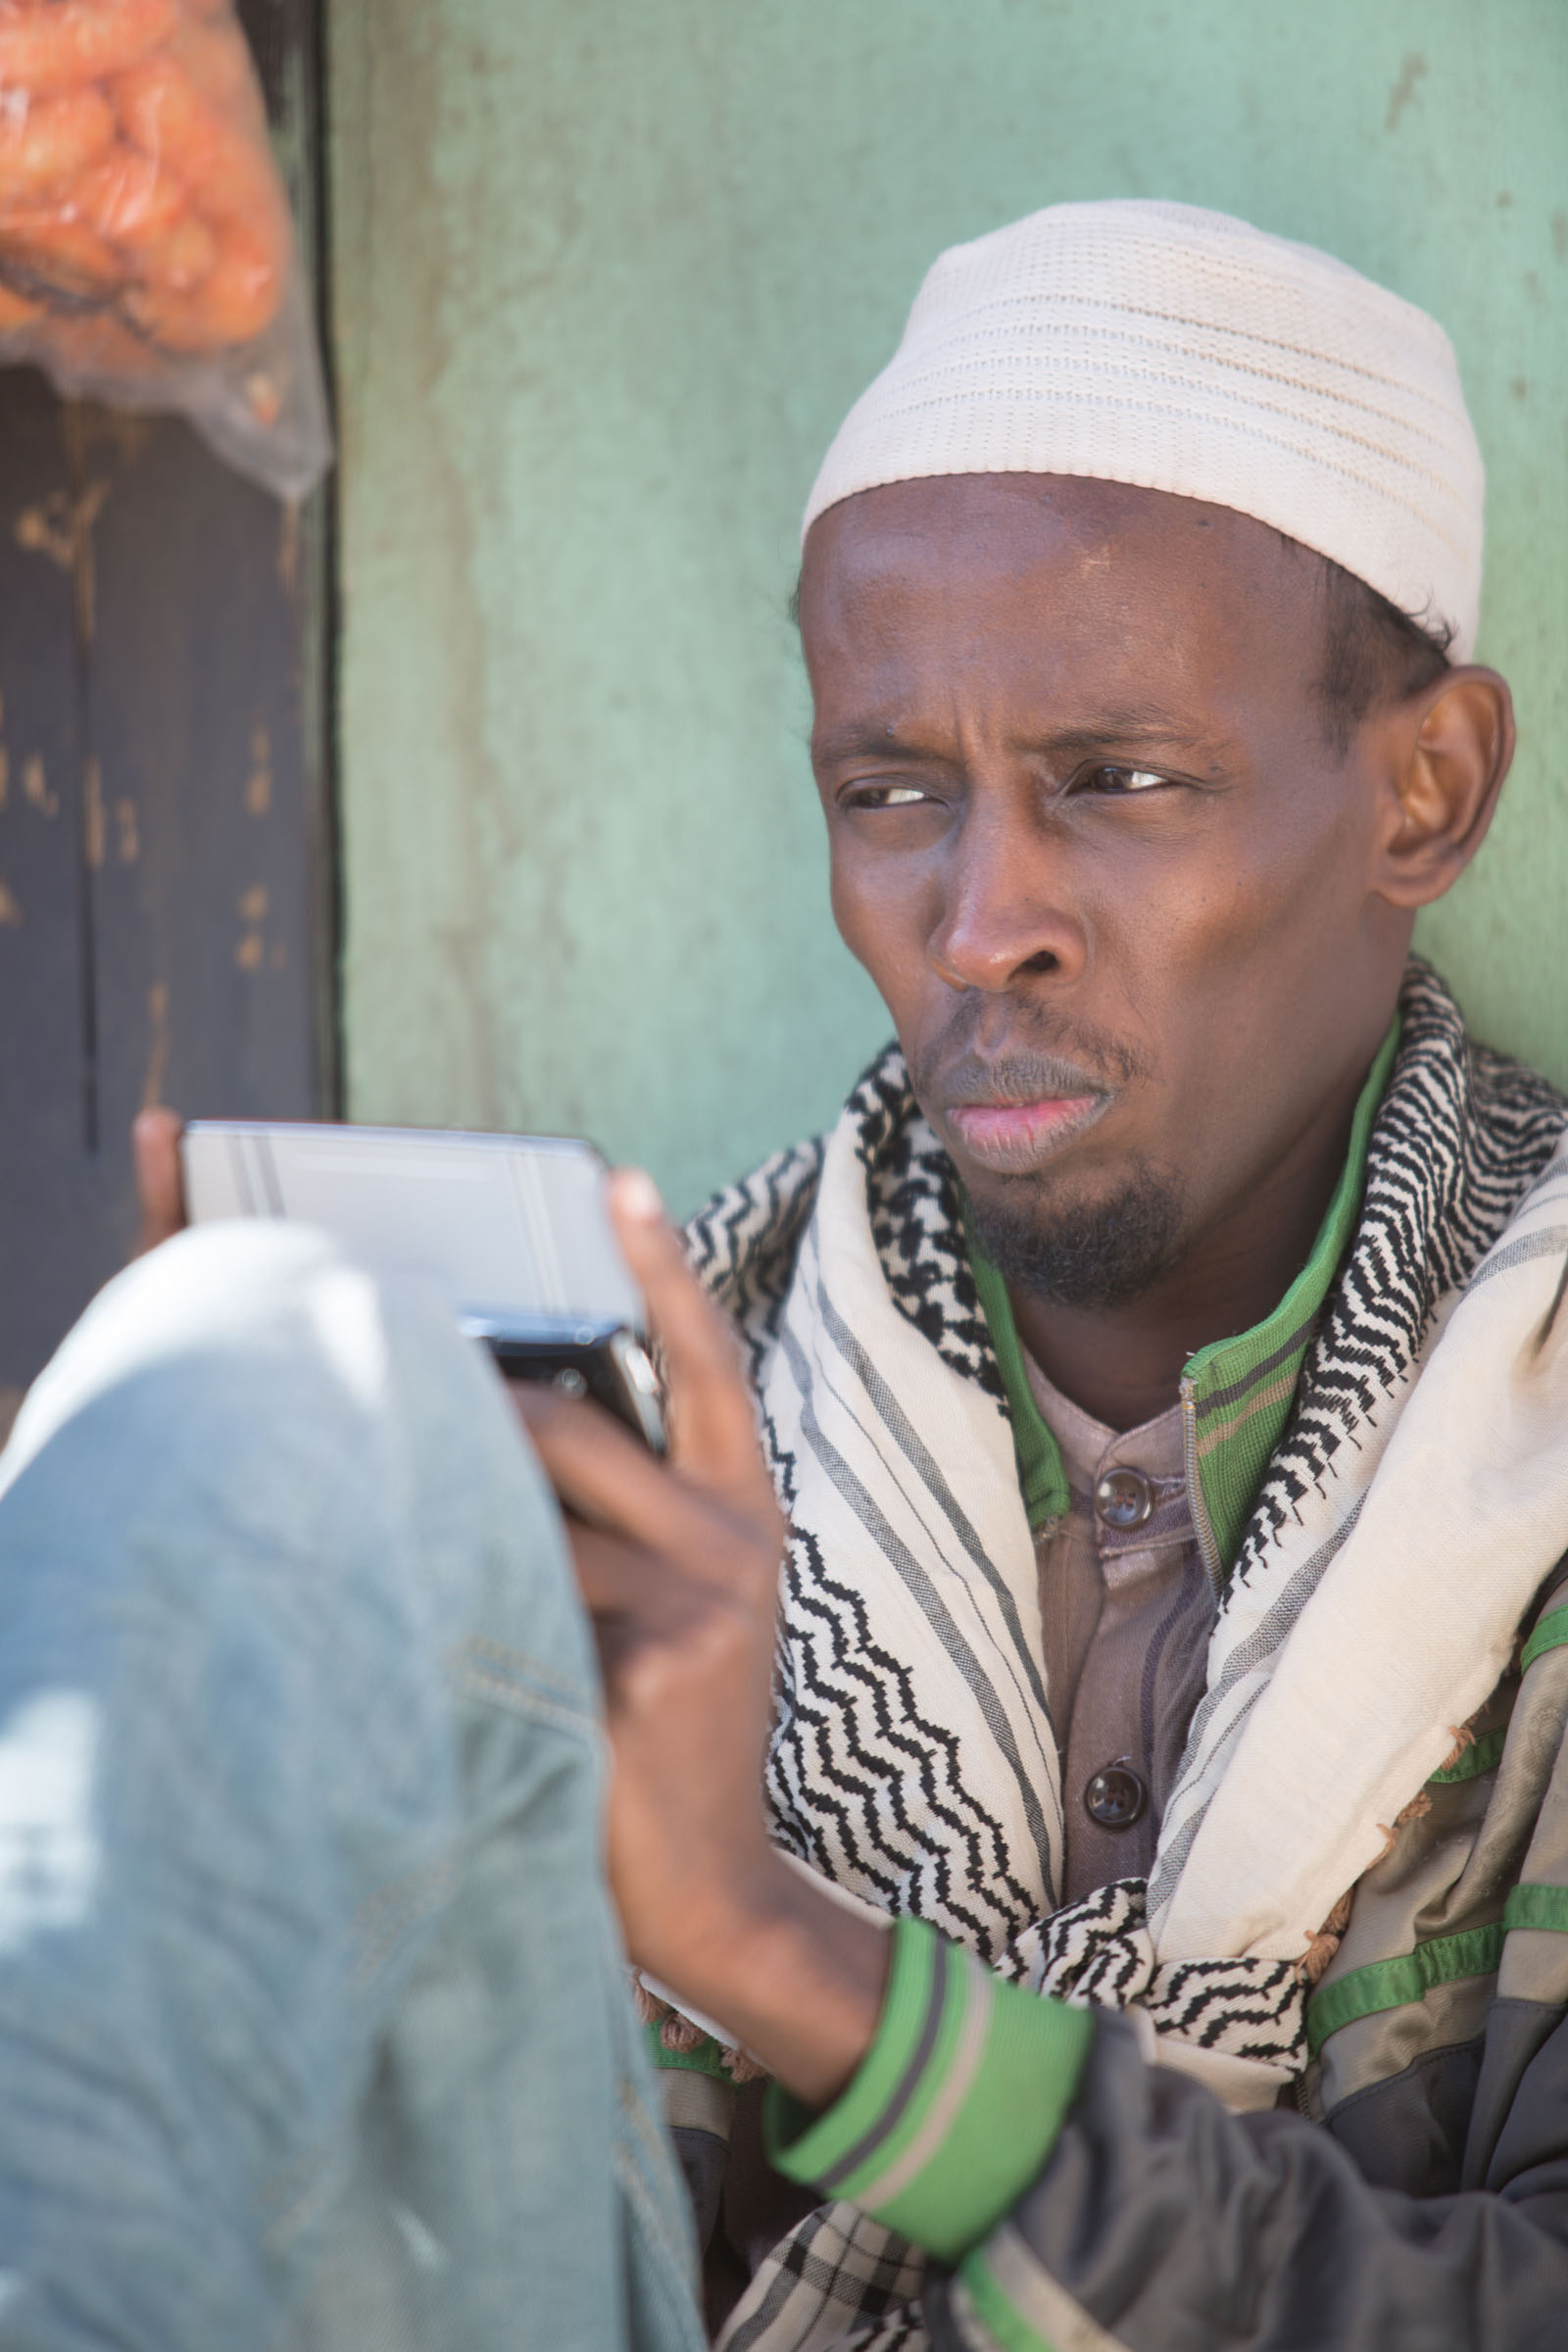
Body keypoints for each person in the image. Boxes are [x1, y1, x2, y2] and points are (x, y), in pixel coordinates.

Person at [4, 195, 1568, 2351]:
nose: (972, 921)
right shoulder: (685, 1411)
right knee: (233, 1379)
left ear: (1424, 786)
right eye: (888, 790)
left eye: (1114, 782)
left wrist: (770, 1947)